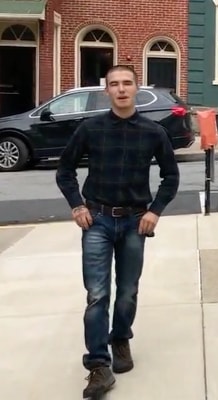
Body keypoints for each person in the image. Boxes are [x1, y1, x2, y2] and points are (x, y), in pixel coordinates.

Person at [55, 65, 180, 399]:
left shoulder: (153, 132)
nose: (121, 89)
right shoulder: (90, 129)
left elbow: (171, 177)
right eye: (114, 84)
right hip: (96, 220)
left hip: (134, 221)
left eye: (127, 83)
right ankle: (98, 365)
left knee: (127, 291)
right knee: (97, 294)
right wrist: (77, 205)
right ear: (106, 90)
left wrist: (155, 211)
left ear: (136, 88)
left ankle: (120, 337)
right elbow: (65, 171)